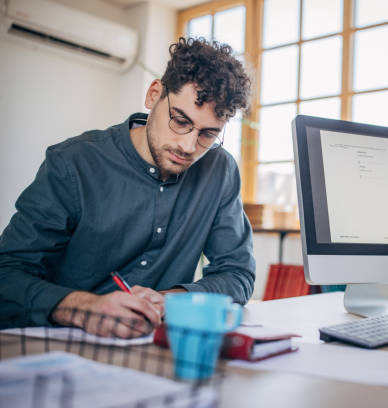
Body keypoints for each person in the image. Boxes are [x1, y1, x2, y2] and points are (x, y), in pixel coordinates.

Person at [0, 38, 256, 338]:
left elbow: (237, 273)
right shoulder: (73, 163)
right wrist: (83, 308)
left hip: (154, 350)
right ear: (154, 95)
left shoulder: (220, 170)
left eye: (208, 134)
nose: (188, 146)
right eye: (180, 121)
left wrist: (169, 300)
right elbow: (8, 274)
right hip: (61, 346)